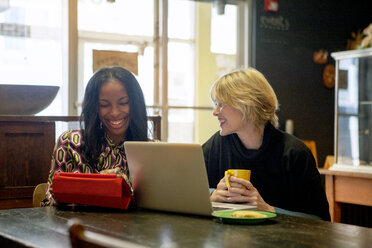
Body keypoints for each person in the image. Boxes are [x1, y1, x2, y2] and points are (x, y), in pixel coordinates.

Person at [202, 68, 330, 220]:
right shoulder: (216, 145)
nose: (215, 112)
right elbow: (187, 192)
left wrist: (268, 209)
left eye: (221, 104)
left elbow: (320, 220)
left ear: (247, 104)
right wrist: (211, 197)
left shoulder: (294, 154)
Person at [42, 66, 149, 206]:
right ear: (94, 107)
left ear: (136, 104)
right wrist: (97, 185)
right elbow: (49, 202)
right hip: (80, 227)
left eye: (123, 103)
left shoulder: (151, 150)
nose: (115, 112)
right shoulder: (71, 144)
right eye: (104, 105)